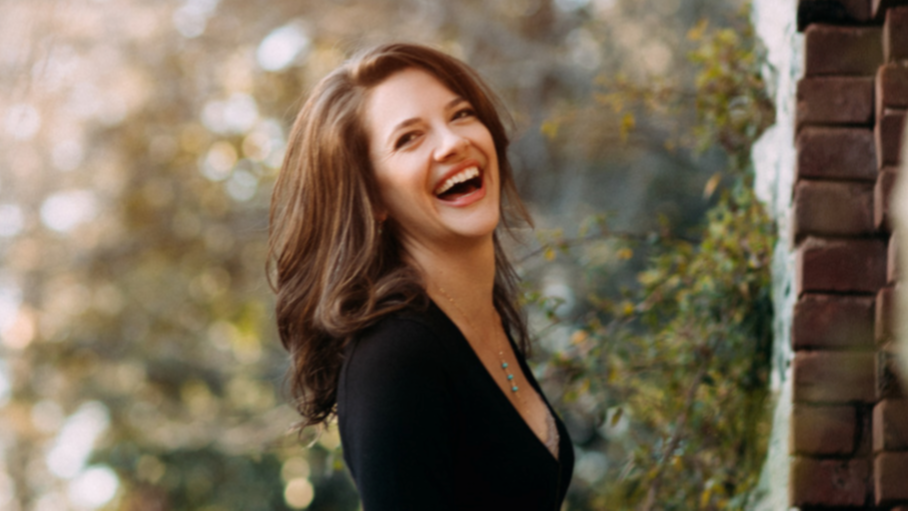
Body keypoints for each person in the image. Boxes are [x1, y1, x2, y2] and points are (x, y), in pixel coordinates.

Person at [268, 42, 574, 510]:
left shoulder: (479, 313)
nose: (453, 143)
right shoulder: (394, 360)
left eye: (461, 114)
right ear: (372, 199)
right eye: (408, 138)